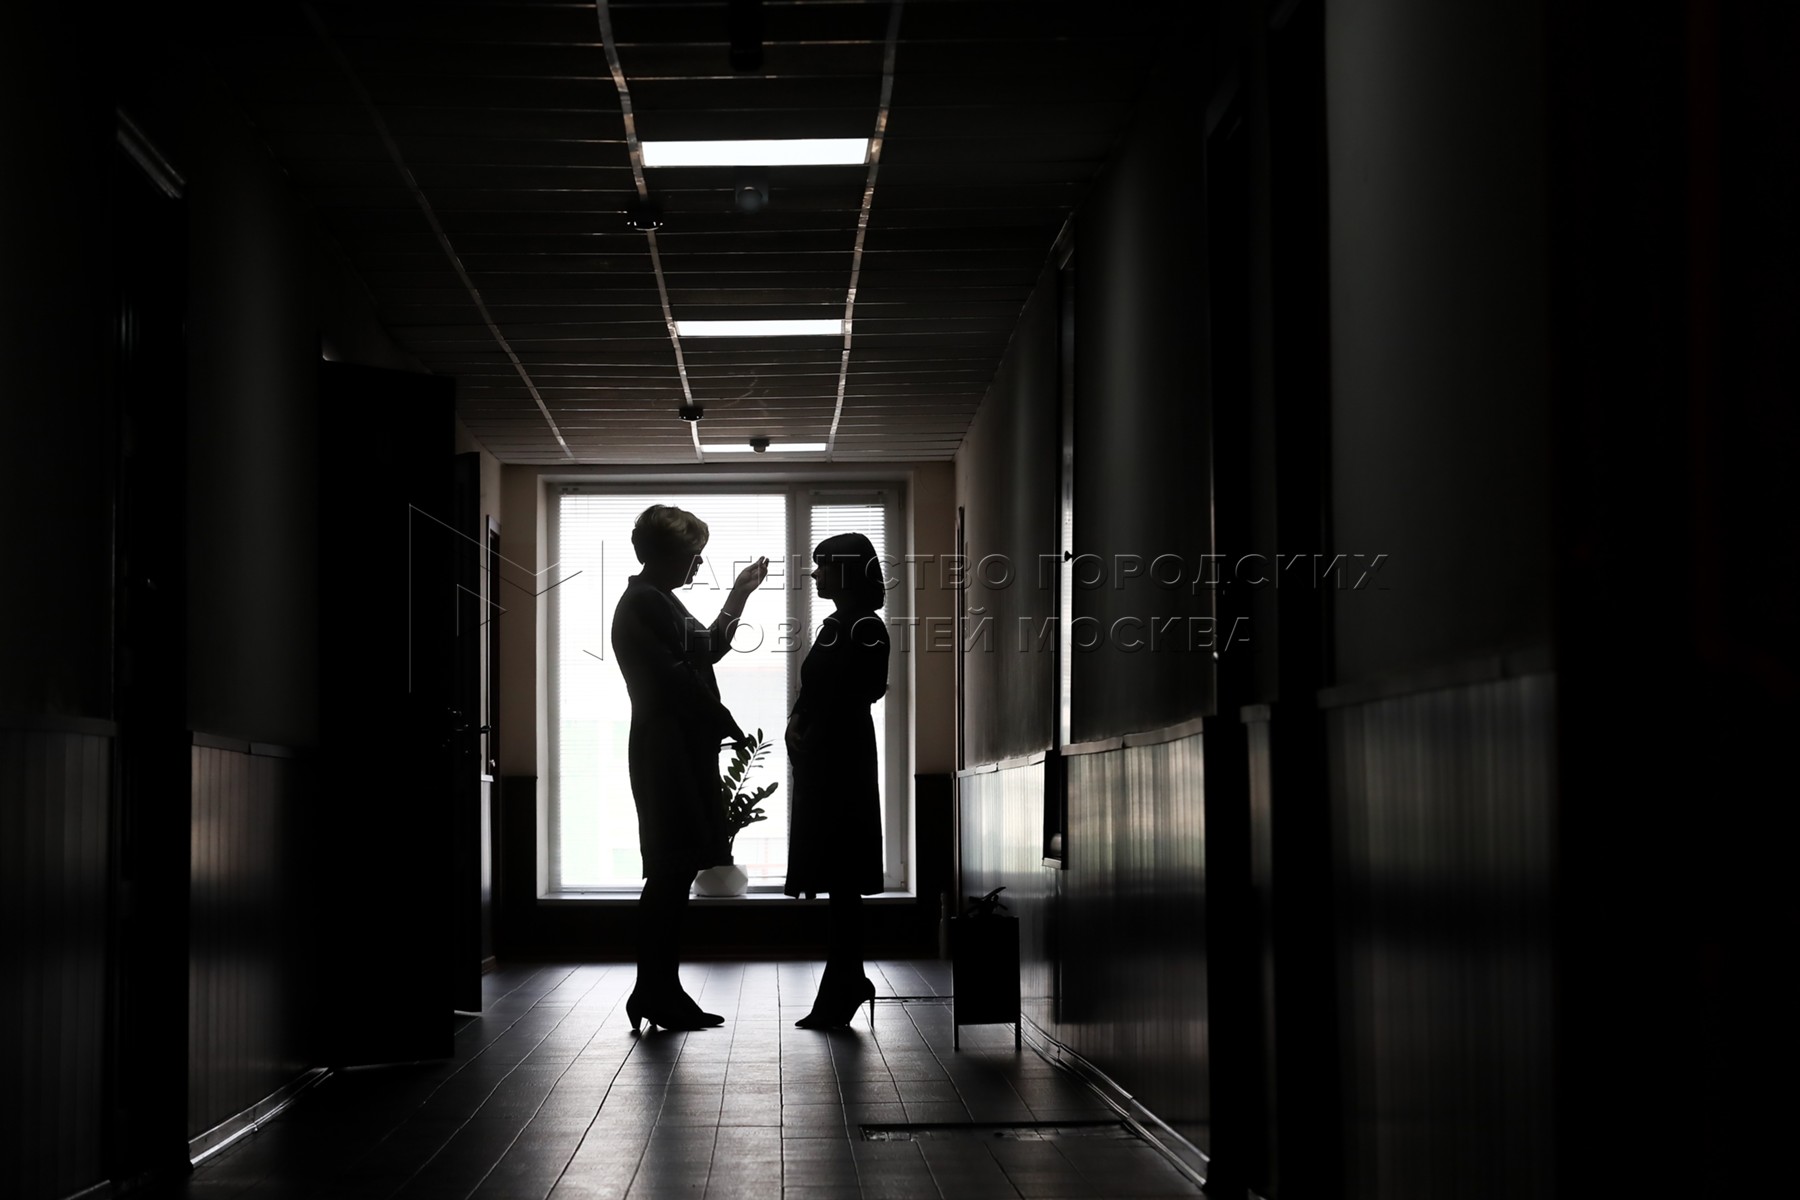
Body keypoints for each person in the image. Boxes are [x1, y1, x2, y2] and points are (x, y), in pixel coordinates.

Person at [610, 504, 768, 1032]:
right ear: (665, 554)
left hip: (672, 745)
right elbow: (678, 679)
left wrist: (741, 593)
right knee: (670, 872)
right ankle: (656, 990)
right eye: (692, 554)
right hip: (666, 749)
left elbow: (708, 651)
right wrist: (726, 720)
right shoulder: (646, 601)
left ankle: (658, 989)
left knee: (673, 873)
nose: (698, 564)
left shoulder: (655, 599)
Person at [785, 532, 891, 1029]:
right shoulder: (843, 624)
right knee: (839, 876)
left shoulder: (863, 626)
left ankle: (845, 981)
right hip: (830, 757)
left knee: (841, 872)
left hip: (840, 759)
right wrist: (800, 722)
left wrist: (808, 722)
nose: (815, 573)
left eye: (823, 564)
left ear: (845, 570)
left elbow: (860, 689)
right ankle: (846, 979)